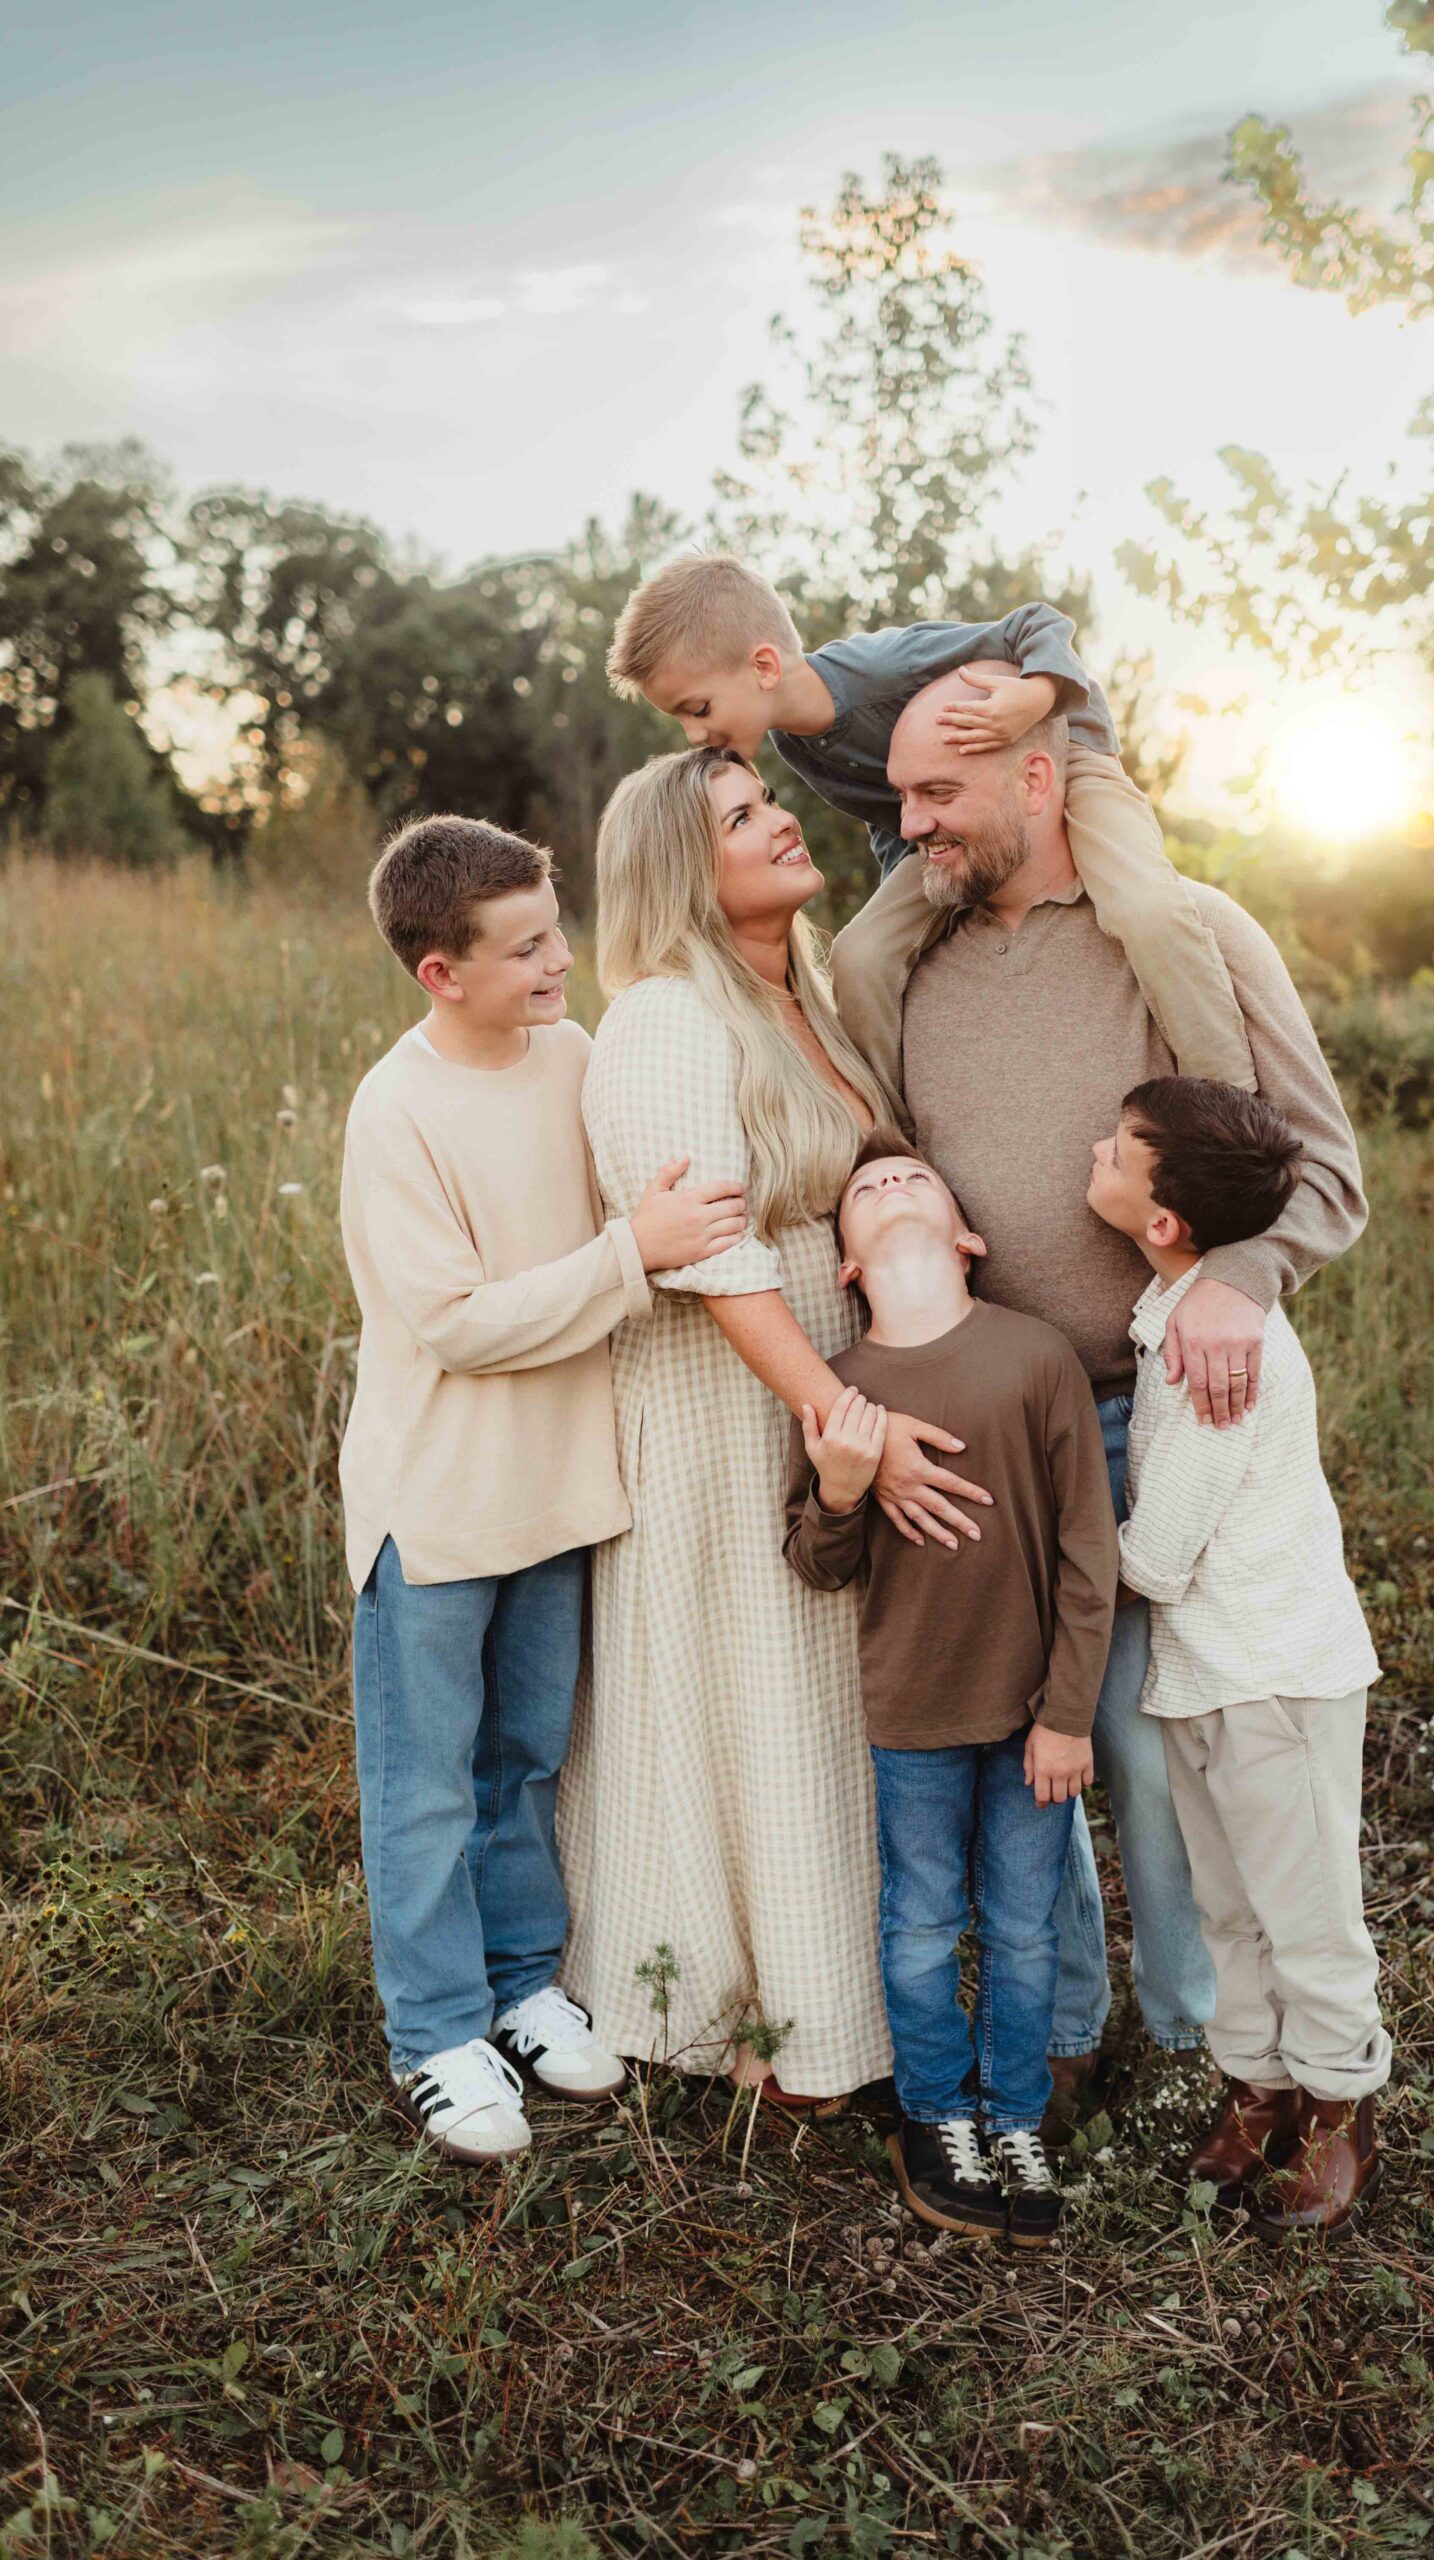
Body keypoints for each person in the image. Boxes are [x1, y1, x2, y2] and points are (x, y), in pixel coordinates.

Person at [877, 671, 1369, 2125]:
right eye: (896, 794)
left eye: (933, 796)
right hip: (984, 1437)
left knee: (1160, 1763)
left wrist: (1240, 1275)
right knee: (1030, 1747)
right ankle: (1065, 2027)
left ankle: (1212, 2043)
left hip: (1147, 1418)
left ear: (1038, 779)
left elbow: (1323, 1173)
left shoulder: (1191, 937)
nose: (904, 828)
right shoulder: (914, 964)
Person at [554, 750, 991, 2101]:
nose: (778, 817)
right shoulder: (665, 1020)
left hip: (815, 1382)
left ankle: (825, 1997)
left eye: (766, 797)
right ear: (685, 871)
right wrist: (835, 1411)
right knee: (743, 1686)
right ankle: (739, 2017)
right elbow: (714, 1260)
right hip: (718, 1400)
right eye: (739, 816)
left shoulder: (797, 991)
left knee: (810, 1693)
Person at [340, 817, 747, 2162]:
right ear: (439, 974)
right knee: (426, 1788)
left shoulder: (574, 1058)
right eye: (524, 950)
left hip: (560, 1495)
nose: (560, 961)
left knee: (523, 1766)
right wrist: (632, 1252)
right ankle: (435, 2033)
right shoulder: (396, 1111)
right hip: (440, 1506)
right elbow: (455, 1321)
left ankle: (519, 1987)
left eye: (554, 929)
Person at [783, 1134, 1115, 2247]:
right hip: (911, 1717)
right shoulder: (837, 1392)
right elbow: (818, 1565)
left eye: (914, 1177)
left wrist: (1068, 1710)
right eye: (865, 1189)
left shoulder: (1034, 1357)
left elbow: (1086, 1552)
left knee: (1024, 1930)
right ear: (842, 1265)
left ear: (967, 1238)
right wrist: (837, 1487)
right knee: (920, 1922)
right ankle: (934, 2116)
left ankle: (1014, 2113)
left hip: (1032, 1722)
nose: (887, 1185)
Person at [603, 553, 1256, 1109]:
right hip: (953, 826)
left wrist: (1034, 698)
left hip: (1064, 766)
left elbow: (1039, 625)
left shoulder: (878, 669)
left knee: (1146, 909)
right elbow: (894, 819)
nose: (692, 735)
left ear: (765, 667)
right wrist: (910, 902)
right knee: (861, 957)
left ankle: (1231, 1102)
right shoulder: (797, 747)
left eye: (697, 709)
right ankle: (891, 1133)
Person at [1089, 1076, 1387, 2238]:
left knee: (1303, 1905)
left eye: (1114, 1153)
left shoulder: (1216, 1351)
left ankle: (1336, 2101)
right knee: (1228, 1906)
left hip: (1276, 1670)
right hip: (1207, 1671)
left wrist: (1046, 1558)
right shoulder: (1169, 1313)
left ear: (1163, 1223)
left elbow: (1155, 1557)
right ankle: (1254, 2084)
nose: (1091, 1154)